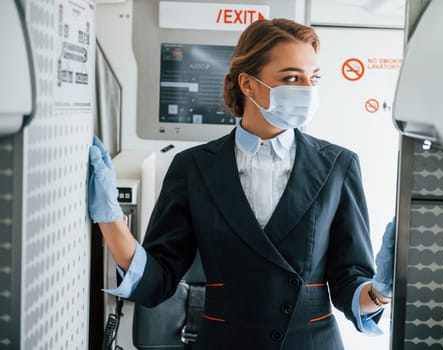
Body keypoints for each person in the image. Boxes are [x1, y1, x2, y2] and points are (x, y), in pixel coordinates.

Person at [89, 18, 395, 350]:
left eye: (313, 78)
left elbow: (349, 282)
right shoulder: (194, 168)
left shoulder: (338, 165)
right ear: (248, 85)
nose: (307, 89)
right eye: (292, 77)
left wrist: (380, 292)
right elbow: (158, 280)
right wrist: (110, 219)